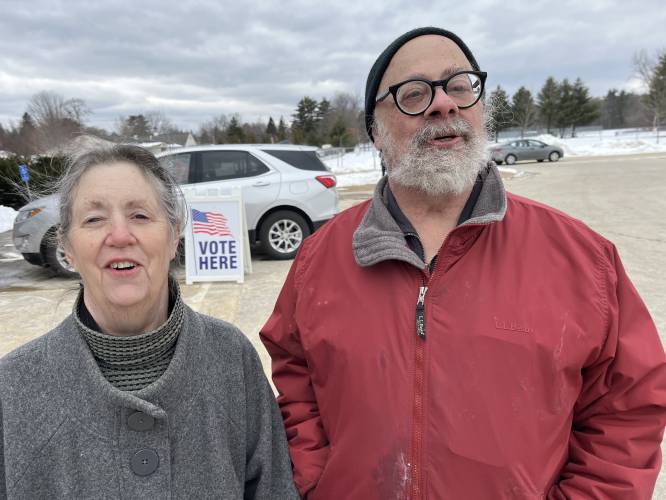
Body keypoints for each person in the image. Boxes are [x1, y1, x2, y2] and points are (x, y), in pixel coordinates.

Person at [260, 27, 666, 499]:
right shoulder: (319, 258)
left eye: (459, 86)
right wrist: (319, 479)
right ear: (375, 130)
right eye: (413, 93)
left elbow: (626, 409)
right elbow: (294, 375)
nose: (443, 105)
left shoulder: (583, 259)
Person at [0, 144, 298, 499]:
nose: (121, 236)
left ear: (173, 237)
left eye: (140, 215)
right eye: (94, 219)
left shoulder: (231, 358)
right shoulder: (14, 388)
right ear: (67, 247)